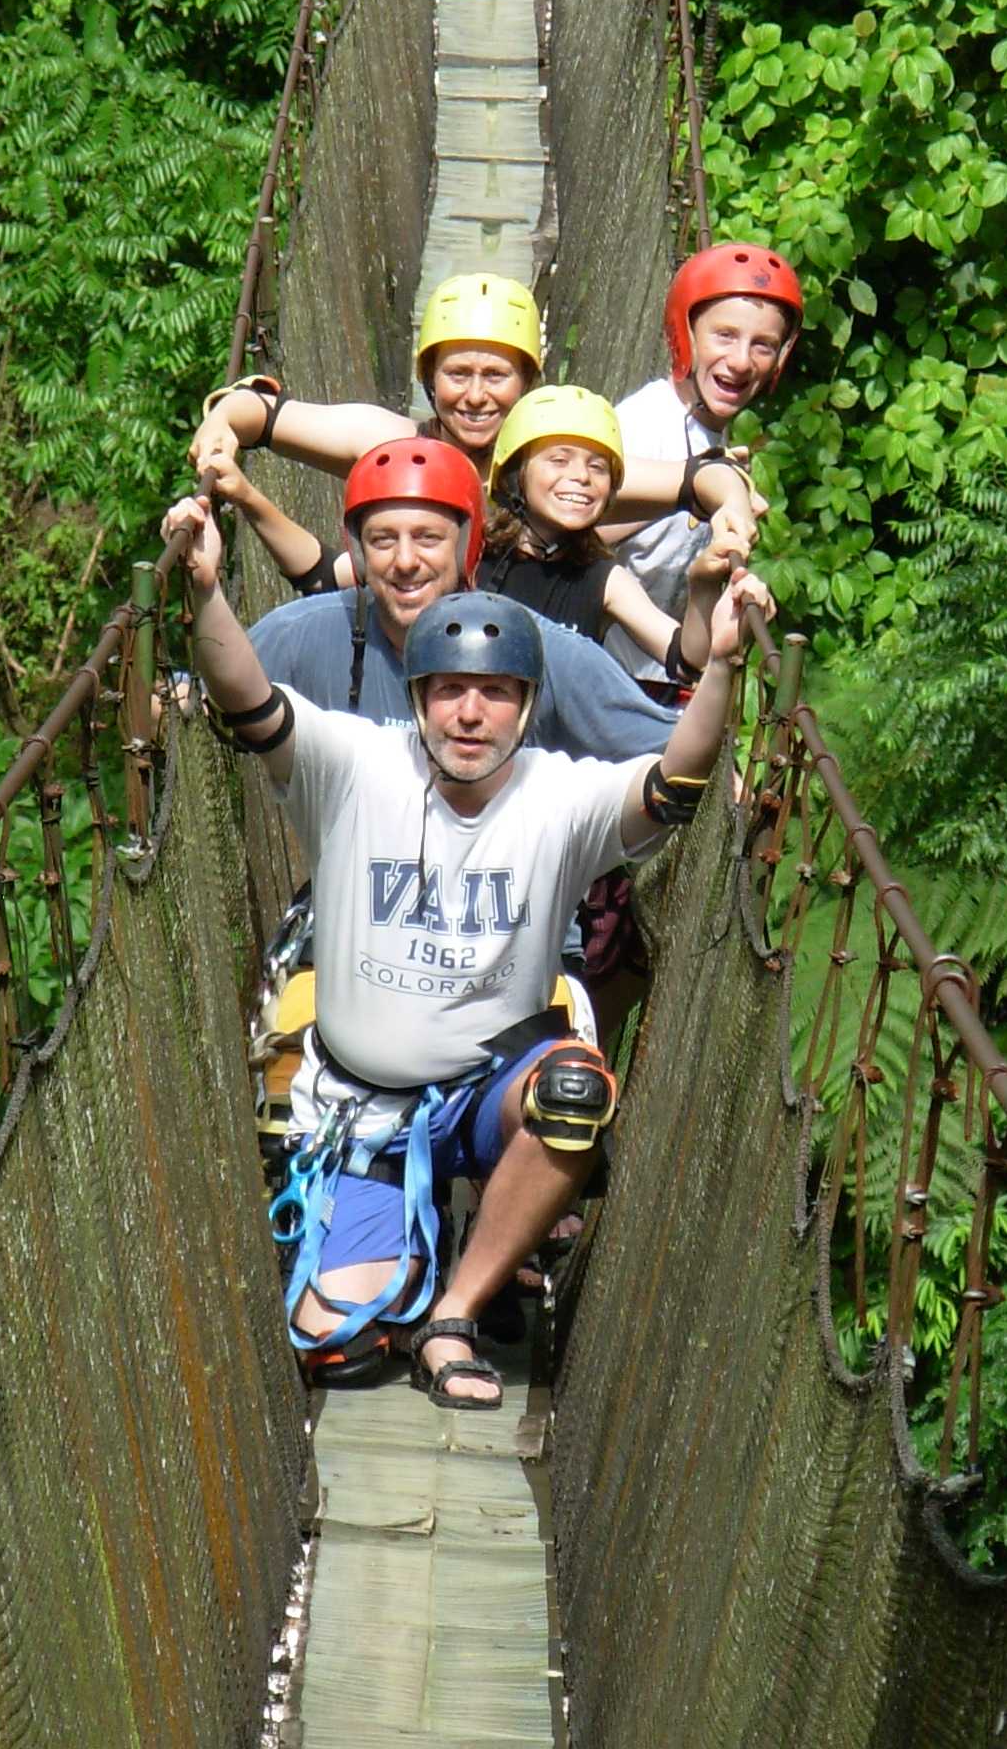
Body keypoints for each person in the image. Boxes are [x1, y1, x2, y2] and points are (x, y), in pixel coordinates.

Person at [167, 498, 747, 1408]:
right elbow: (249, 700)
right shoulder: (355, 763)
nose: (471, 714)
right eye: (449, 690)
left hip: (494, 1082)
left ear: (527, 705)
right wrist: (204, 588)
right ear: (418, 699)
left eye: (497, 693)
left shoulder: (562, 796)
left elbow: (680, 776)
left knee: (574, 1091)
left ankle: (455, 1313)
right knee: (339, 1349)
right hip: (364, 1099)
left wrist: (726, 666)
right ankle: (409, 1230)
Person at [188, 272, 759, 593]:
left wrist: (731, 502)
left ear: (529, 382)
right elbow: (262, 412)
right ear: (429, 380)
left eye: (497, 376)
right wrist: (223, 420)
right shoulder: (395, 446)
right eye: (458, 374)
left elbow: (699, 476)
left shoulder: (561, 474)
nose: (477, 396)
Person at [243, 435, 674, 762]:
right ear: (358, 551)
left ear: (467, 546)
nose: (405, 561)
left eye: (428, 538)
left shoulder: (538, 647)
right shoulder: (300, 632)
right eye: (382, 540)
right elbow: (214, 696)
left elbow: (670, 750)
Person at [600, 241, 803, 684]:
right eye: (725, 335)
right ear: (686, 332)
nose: (741, 361)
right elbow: (579, 525)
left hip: (660, 678)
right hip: (609, 681)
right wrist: (699, 492)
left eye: (764, 346)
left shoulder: (709, 434)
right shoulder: (642, 423)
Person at [479, 383, 763, 675]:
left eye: (598, 467)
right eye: (559, 460)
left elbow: (686, 658)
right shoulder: (474, 551)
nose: (581, 476)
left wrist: (702, 584)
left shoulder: (600, 576)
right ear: (515, 475)